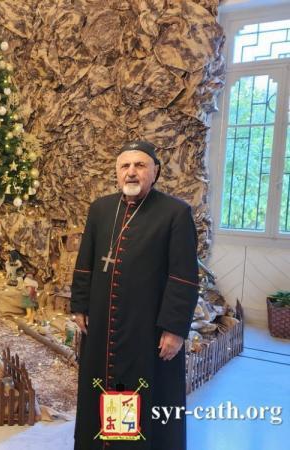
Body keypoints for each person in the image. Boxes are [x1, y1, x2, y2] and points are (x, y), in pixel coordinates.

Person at [70, 141, 199, 450]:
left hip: (147, 329)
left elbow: (184, 277)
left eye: (140, 165)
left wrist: (174, 328)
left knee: (140, 394)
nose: (131, 172)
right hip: (103, 326)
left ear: (155, 172)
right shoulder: (100, 209)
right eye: (124, 166)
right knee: (102, 389)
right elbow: (85, 261)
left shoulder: (175, 213)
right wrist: (80, 305)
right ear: (117, 172)